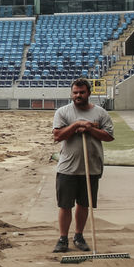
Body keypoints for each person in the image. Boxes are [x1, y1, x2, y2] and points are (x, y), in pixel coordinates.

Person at [51, 78, 114, 253]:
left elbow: (109, 136)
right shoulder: (63, 112)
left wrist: (90, 129)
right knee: (65, 205)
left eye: (82, 92)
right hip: (67, 167)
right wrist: (77, 124)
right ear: (71, 93)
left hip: (91, 166)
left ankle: (78, 236)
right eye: (75, 92)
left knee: (84, 204)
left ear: (89, 93)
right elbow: (57, 136)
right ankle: (63, 238)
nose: (78, 95)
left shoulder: (100, 113)